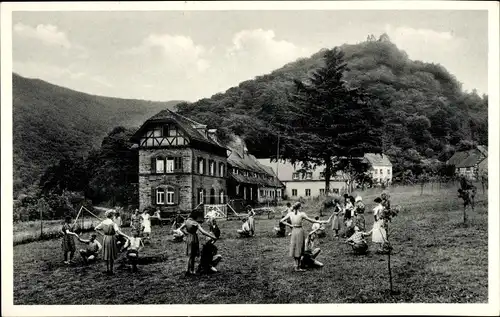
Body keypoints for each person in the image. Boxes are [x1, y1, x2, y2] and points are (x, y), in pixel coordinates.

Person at [280, 202, 330, 272]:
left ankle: (296, 266)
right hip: (299, 231)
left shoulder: (290, 214)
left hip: (294, 231)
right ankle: (298, 267)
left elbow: (281, 221)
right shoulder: (301, 214)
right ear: (299, 207)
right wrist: (323, 221)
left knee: (295, 248)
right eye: (301, 207)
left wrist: (291, 225)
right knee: (299, 248)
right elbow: (312, 220)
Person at [178, 211, 218, 276]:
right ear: (195, 217)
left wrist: (186, 234)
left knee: (190, 254)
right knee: (192, 255)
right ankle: (190, 271)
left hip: (188, 238)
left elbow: (181, 229)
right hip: (193, 238)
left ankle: (189, 270)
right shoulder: (195, 223)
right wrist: (212, 236)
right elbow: (203, 232)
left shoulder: (186, 221)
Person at [95, 210, 125, 275]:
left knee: (106, 254)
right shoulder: (113, 223)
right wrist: (126, 236)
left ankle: (107, 269)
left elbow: (96, 228)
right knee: (111, 254)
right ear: (112, 216)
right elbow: (118, 232)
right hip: (111, 238)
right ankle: (111, 270)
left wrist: (102, 234)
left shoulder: (103, 222)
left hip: (105, 238)